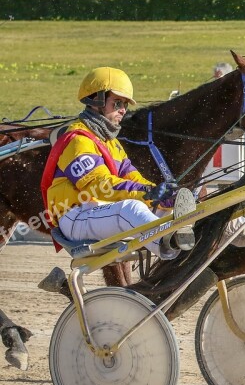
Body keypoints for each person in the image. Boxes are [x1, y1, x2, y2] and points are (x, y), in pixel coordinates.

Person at [42, 67, 195, 261]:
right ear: (96, 100)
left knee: (166, 209)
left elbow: (131, 176)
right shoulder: (78, 140)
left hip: (96, 211)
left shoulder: (111, 143)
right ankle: (169, 247)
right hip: (75, 218)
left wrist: (156, 194)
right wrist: (144, 192)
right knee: (130, 209)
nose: (123, 109)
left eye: (124, 105)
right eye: (117, 103)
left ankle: (233, 234)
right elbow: (99, 185)